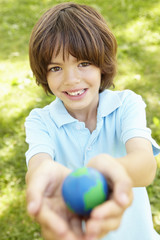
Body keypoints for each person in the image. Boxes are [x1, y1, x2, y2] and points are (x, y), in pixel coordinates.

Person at [25, 2, 160, 240]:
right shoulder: (41, 121)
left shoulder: (126, 105)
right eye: (56, 68)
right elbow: (39, 167)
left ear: (102, 64)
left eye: (83, 64)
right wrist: (43, 179)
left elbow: (146, 165)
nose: (71, 79)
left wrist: (112, 170)